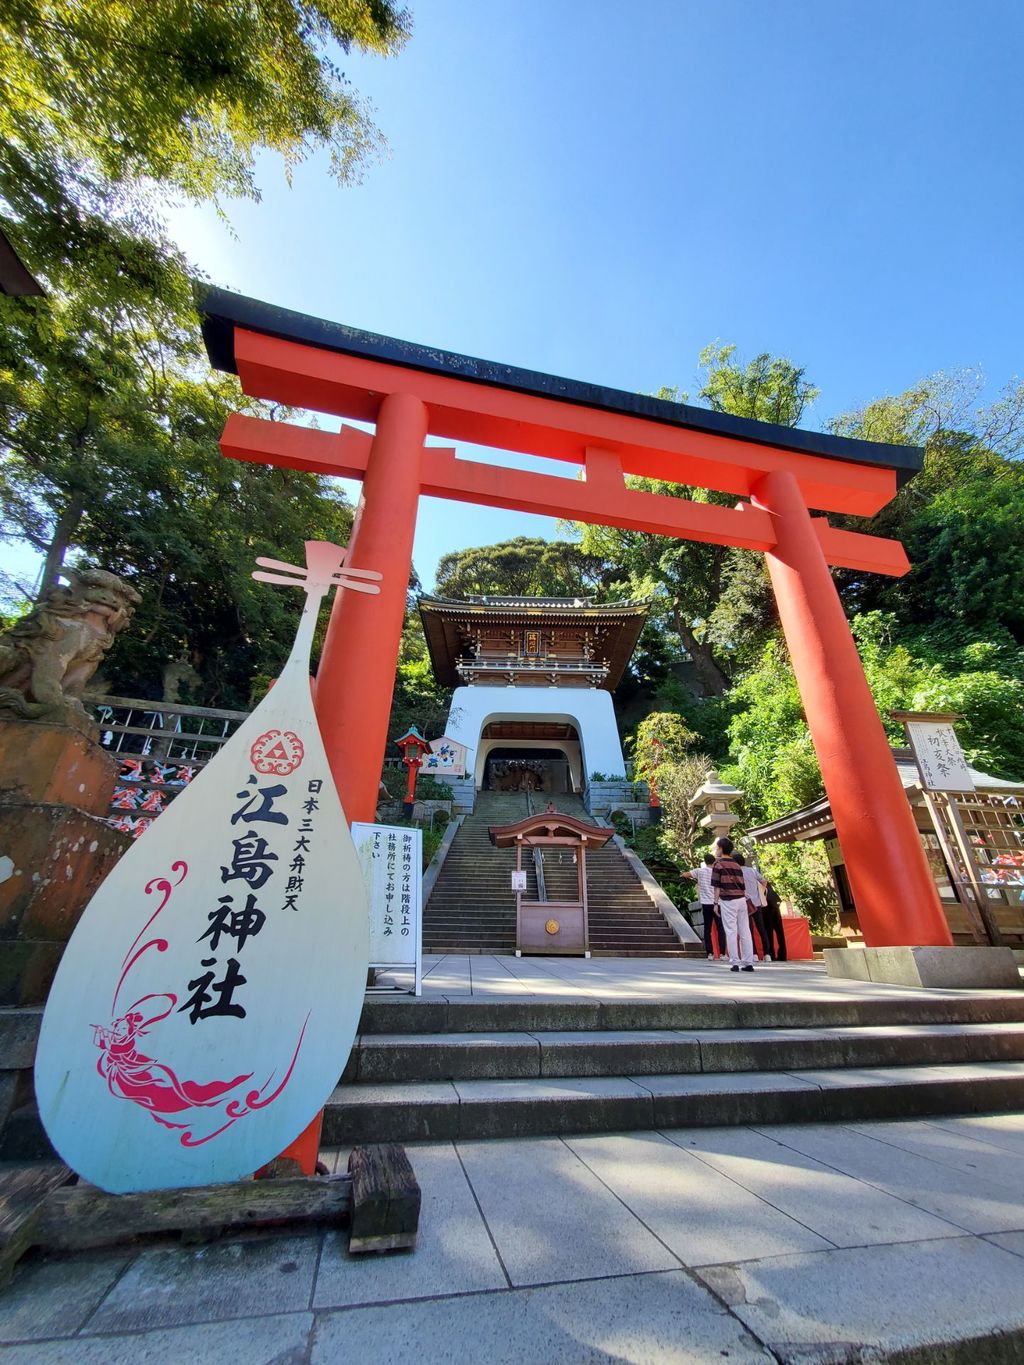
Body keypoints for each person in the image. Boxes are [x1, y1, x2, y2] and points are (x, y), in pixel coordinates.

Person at [711, 836, 754, 972]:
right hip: (741, 899)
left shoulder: (718, 864)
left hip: (728, 900)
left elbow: (717, 886)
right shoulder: (736, 864)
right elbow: (742, 885)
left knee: (731, 930)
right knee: (745, 931)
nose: (716, 850)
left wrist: (715, 903)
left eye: (717, 848)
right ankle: (748, 962)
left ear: (721, 849)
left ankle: (735, 962)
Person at [682, 853, 723, 958]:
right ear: (714, 861)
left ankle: (709, 953)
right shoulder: (717, 872)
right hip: (718, 903)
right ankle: (723, 953)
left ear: (705, 862)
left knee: (707, 928)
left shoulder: (699, 871)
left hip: (706, 903)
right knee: (720, 928)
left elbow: (686, 874)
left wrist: (683, 874)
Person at [735, 853, 770, 961]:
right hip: (757, 903)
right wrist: (761, 891)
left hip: (745, 903)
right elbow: (764, 881)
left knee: (748, 929)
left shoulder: (737, 873)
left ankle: (754, 954)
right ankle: (767, 954)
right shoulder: (752, 871)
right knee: (761, 928)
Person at [761, 877, 788, 961]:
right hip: (776, 908)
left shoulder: (759, 884)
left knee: (768, 933)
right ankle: (783, 955)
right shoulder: (769, 886)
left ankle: (771, 954)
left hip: (767, 909)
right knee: (780, 932)